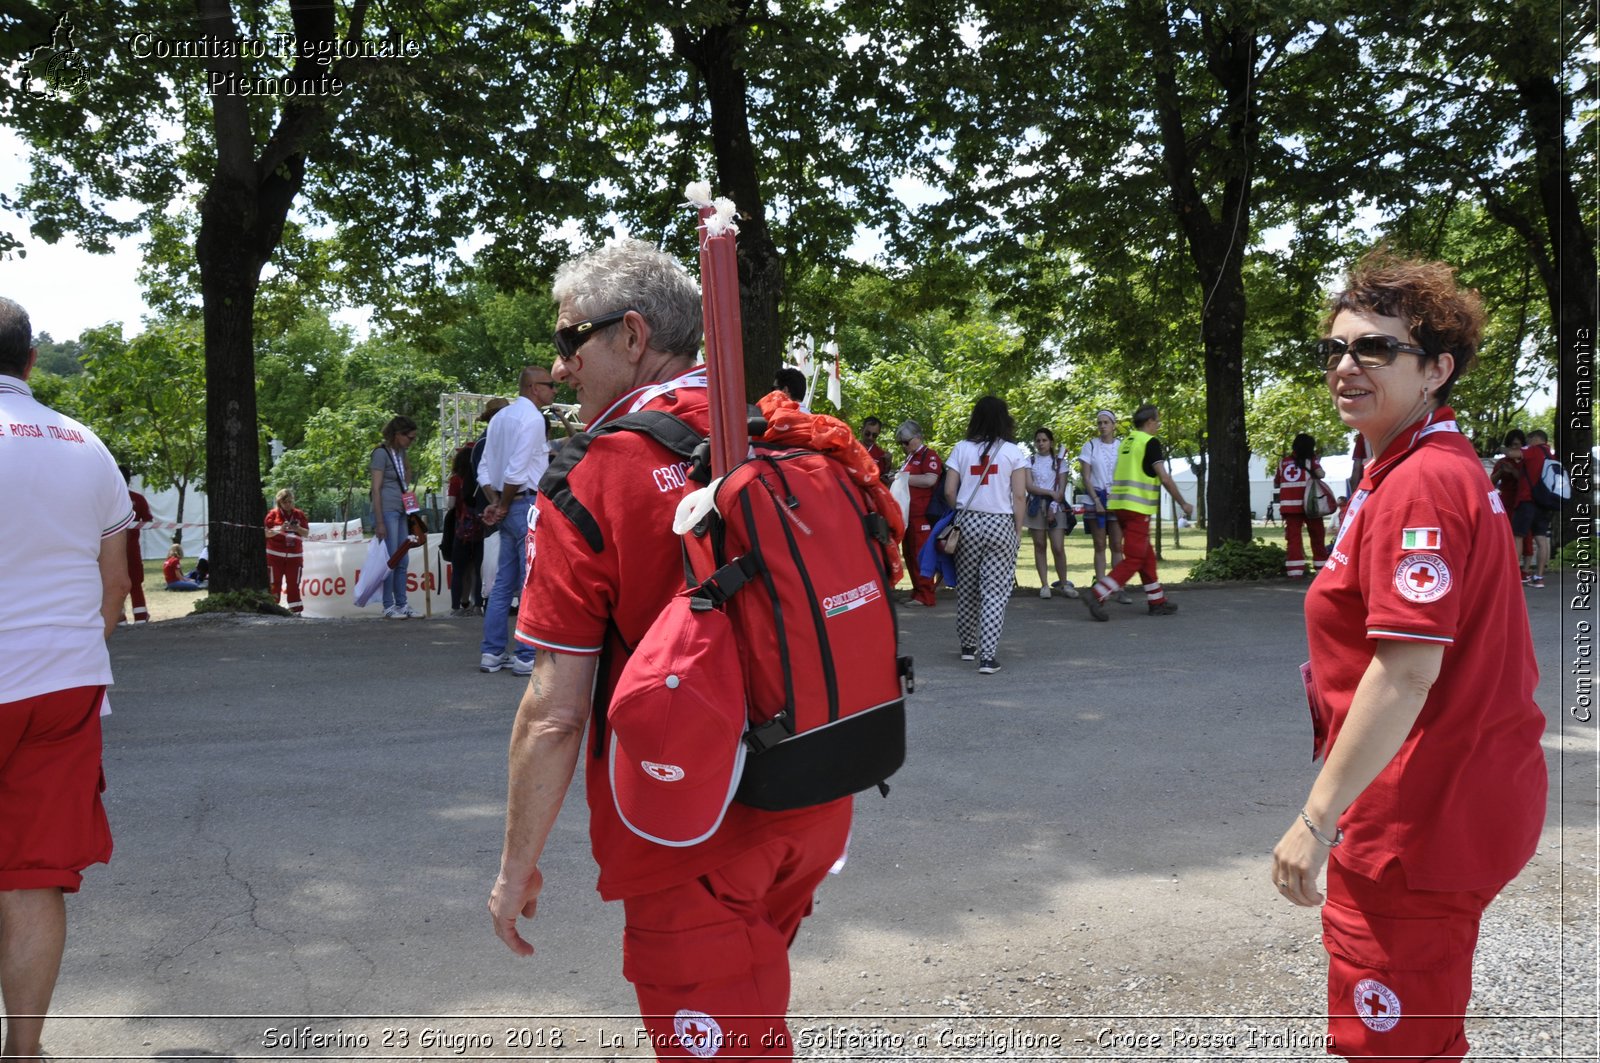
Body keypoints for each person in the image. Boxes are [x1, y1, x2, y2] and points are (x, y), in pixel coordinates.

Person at [489, 239, 852, 1059]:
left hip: (692, 832)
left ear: (631, 336)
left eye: (570, 340)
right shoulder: (783, 430)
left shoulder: (594, 477)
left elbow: (553, 711)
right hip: (817, 793)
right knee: (752, 1025)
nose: (561, 366)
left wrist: (517, 868)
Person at [1270, 250, 1546, 1061]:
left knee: (1392, 1047)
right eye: (1336, 348)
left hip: (1421, 817)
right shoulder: (1407, 463)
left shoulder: (1421, 479)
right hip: (1442, 800)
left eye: (1376, 348)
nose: (1346, 365)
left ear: (1436, 369)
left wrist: (1316, 821)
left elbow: (1407, 668)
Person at [0, 296, 133, 1063]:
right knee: (31, 872)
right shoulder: (85, 444)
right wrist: (74, 650)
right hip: (62, 683)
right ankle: (25, 1052)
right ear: (31, 360)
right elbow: (113, 586)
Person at [1082, 404, 1194, 620]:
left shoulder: (1126, 442)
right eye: (1158, 421)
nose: (1159, 425)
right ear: (1150, 422)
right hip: (1137, 508)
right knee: (1134, 558)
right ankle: (1098, 594)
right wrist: (1183, 503)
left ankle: (1157, 600)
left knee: (1146, 556)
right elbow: (1164, 477)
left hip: (1119, 506)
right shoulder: (1149, 442)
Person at [942, 396, 1028, 674]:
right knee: (995, 592)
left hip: (968, 523)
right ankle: (988, 657)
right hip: (1001, 524)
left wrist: (961, 512)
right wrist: (1017, 532)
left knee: (967, 587)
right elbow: (1018, 496)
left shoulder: (961, 449)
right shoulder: (1014, 453)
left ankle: (968, 646)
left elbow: (948, 491)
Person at [477, 367, 554, 674]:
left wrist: (496, 502)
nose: (554, 390)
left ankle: (492, 652)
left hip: (507, 503)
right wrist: (505, 504)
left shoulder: (499, 418)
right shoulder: (533, 419)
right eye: (549, 385)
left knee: (502, 585)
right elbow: (518, 470)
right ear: (535, 388)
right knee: (529, 581)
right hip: (525, 503)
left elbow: (484, 468)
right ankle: (525, 654)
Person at [1077, 411, 1131, 604]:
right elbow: (1086, 476)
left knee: (1117, 545)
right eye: (1099, 423)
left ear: (1114, 425)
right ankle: (1100, 589)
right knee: (1099, 544)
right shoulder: (1090, 446)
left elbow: (1127, 474)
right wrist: (1096, 500)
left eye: (1106, 422)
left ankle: (1120, 587)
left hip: (1116, 500)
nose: (1102, 426)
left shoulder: (1122, 446)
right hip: (1096, 500)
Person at [370, 415, 420, 619]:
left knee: (402, 558)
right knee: (391, 558)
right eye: (410, 437)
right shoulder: (381, 454)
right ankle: (388, 604)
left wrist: (406, 487)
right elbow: (376, 488)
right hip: (388, 510)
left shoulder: (400, 453)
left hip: (400, 510)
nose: (411, 442)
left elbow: (407, 471)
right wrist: (379, 521)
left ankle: (402, 603)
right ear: (398, 434)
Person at [1023, 427, 1078, 598]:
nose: (1041, 443)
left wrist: (1054, 502)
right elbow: (1029, 486)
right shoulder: (1029, 461)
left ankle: (1064, 583)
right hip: (1035, 506)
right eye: (1038, 440)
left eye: (1044, 440)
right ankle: (1045, 585)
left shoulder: (1060, 462)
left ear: (1051, 442)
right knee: (1039, 546)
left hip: (1057, 507)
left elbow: (1060, 490)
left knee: (1058, 547)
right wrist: (1049, 493)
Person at [895, 419, 943, 607]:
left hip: (922, 515)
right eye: (901, 443)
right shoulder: (910, 457)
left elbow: (930, 480)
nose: (904, 446)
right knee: (910, 554)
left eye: (906, 442)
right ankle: (917, 592)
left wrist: (902, 479)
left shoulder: (928, 456)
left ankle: (926, 595)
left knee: (920, 555)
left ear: (917, 437)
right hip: (908, 514)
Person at [1272, 433, 1333, 579]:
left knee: (1293, 540)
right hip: (1310, 506)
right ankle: (1321, 568)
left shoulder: (1283, 462)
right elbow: (1321, 474)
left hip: (1289, 507)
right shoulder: (1311, 461)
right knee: (1317, 536)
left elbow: (1277, 482)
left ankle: (1295, 571)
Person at [1511, 428, 1554, 588]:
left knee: (1518, 536)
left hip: (1527, 501)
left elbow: (1513, 454)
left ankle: (1513, 576)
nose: (1527, 444)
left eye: (1528, 440)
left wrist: (1503, 449)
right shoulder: (1551, 455)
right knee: (1542, 539)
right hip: (1544, 503)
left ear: (1536, 438)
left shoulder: (1534, 451)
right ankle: (1539, 577)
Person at [1488, 429, 1534, 578]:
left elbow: (1527, 481)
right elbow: (1490, 483)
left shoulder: (1527, 461)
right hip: (1506, 503)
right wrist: (1501, 472)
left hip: (1523, 502)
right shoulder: (1502, 462)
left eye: (1519, 445)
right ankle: (1507, 568)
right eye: (1513, 445)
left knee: (1526, 536)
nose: (1516, 448)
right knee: (1505, 536)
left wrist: (1513, 471)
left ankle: (1525, 570)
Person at [446, 443, 485, 617]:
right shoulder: (482, 478)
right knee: (479, 569)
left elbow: (451, 505)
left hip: (461, 531)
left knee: (459, 571)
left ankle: (456, 607)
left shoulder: (455, 480)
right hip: (481, 529)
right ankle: (478, 605)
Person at [264, 488, 309, 614]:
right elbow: (266, 534)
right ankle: (273, 610)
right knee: (274, 584)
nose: (288, 504)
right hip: (275, 556)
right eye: (285, 502)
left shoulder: (299, 514)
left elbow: (306, 533)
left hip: (295, 557)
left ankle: (296, 611)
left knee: (293, 585)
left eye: (290, 501)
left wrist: (297, 528)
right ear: (279, 503)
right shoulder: (272, 514)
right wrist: (280, 529)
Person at [118, 464, 152, 624]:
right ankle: (140, 617)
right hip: (132, 549)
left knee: (115, 583)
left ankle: (119, 619)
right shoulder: (138, 499)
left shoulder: (107, 499)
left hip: (112, 550)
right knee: (136, 583)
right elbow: (148, 520)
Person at [860, 416, 893, 482]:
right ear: (861, 430)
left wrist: (888, 464)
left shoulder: (881, 455)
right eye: (867, 433)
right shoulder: (851, 448)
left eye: (874, 435)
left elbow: (884, 479)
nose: (870, 438)